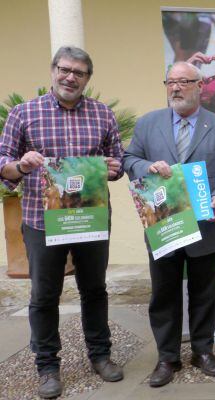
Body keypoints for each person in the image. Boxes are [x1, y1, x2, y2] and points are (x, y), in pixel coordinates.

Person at [0, 46, 125, 399]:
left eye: (79, 72)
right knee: (43, 296)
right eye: (65, 69)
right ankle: (47, 367)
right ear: (53, 70)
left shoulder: (103, 114)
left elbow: (117, 160)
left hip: (91, 218)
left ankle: (100, 356)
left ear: (88, 78)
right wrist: (22, 165)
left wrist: (114, 168)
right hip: (42, 221)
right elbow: (3, 164)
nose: (71, 77)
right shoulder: (24, 113)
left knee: (95, 290)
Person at [123, 61, 215, 388]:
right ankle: (167, 357)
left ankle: (203, 351)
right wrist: (147, 166)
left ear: (200, 86)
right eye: (170, 82)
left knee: (204, 293)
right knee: (164, 293)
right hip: (164, 226)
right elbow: (128, 161)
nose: (175, 88)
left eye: (184, 82)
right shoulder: (148, 124)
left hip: (207, 227)